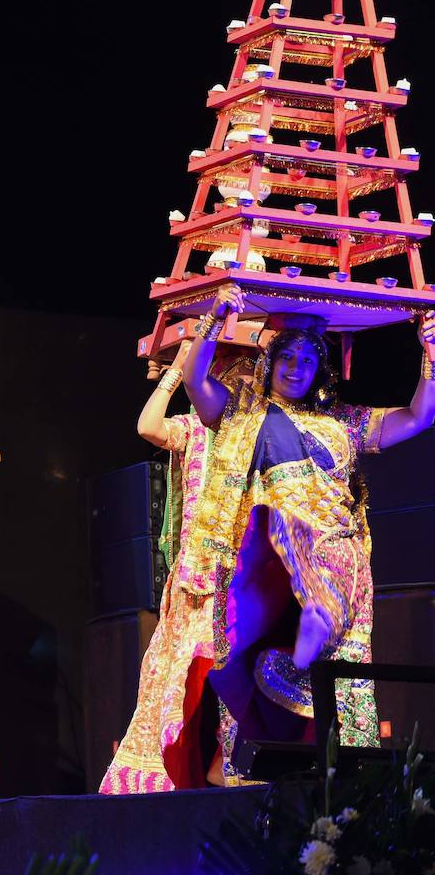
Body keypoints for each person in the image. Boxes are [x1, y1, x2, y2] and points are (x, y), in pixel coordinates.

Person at [181, 288, 435, 748]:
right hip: (269, 559)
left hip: (340, 553)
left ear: (319, 369)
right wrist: (215, 319)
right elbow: (194, 379)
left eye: (306, 358)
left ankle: (348, 782)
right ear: (270, 363)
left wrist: (430, 353)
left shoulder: (343, 422)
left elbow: (419, 416)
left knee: (343, 681)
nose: (295, 366)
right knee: (283, 544)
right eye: (287, 356)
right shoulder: (242, 412)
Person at [101, 339, 256, 793]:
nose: (241, 387)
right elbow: (148, 426)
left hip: (242, 577)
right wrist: (177, 369)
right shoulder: (195, 429)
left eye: (250, 379)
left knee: (232, 672)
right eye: (234, 377)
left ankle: (228, 764)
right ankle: (176, 770)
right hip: (196, 579)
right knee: (183, 676)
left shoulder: (260, 435)